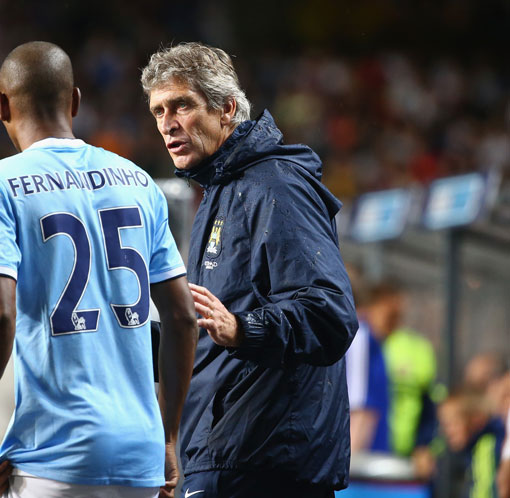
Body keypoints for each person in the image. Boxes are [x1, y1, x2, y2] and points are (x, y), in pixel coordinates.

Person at [0, 41, 197, 498]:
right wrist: (167, 437)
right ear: (75, 101)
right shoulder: (139, 182)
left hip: (53, 459)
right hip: (140, 461)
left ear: (2, 105)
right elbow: (183, 317)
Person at [141, 42, 358, 497]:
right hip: (222, 457)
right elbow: (210, 329)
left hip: (263, 465)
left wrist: (242, 328)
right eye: (159, 110)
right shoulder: (222, 191)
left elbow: (329, 311)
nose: (167, 123)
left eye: (181, 105)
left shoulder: (274, 184)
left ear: (227, 109)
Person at [345, 280, 391, 453]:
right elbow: (360, 408)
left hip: (366, 454)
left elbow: (362, 405)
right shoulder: (360, 336)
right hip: (363, 453)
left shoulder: (365, 338)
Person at [438, 390, 506, 498]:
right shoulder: (473, 451)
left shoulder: (488, 446)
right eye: (444, 425)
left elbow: (485, 490)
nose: (446, 432)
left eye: (452, 423)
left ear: (475, 419)